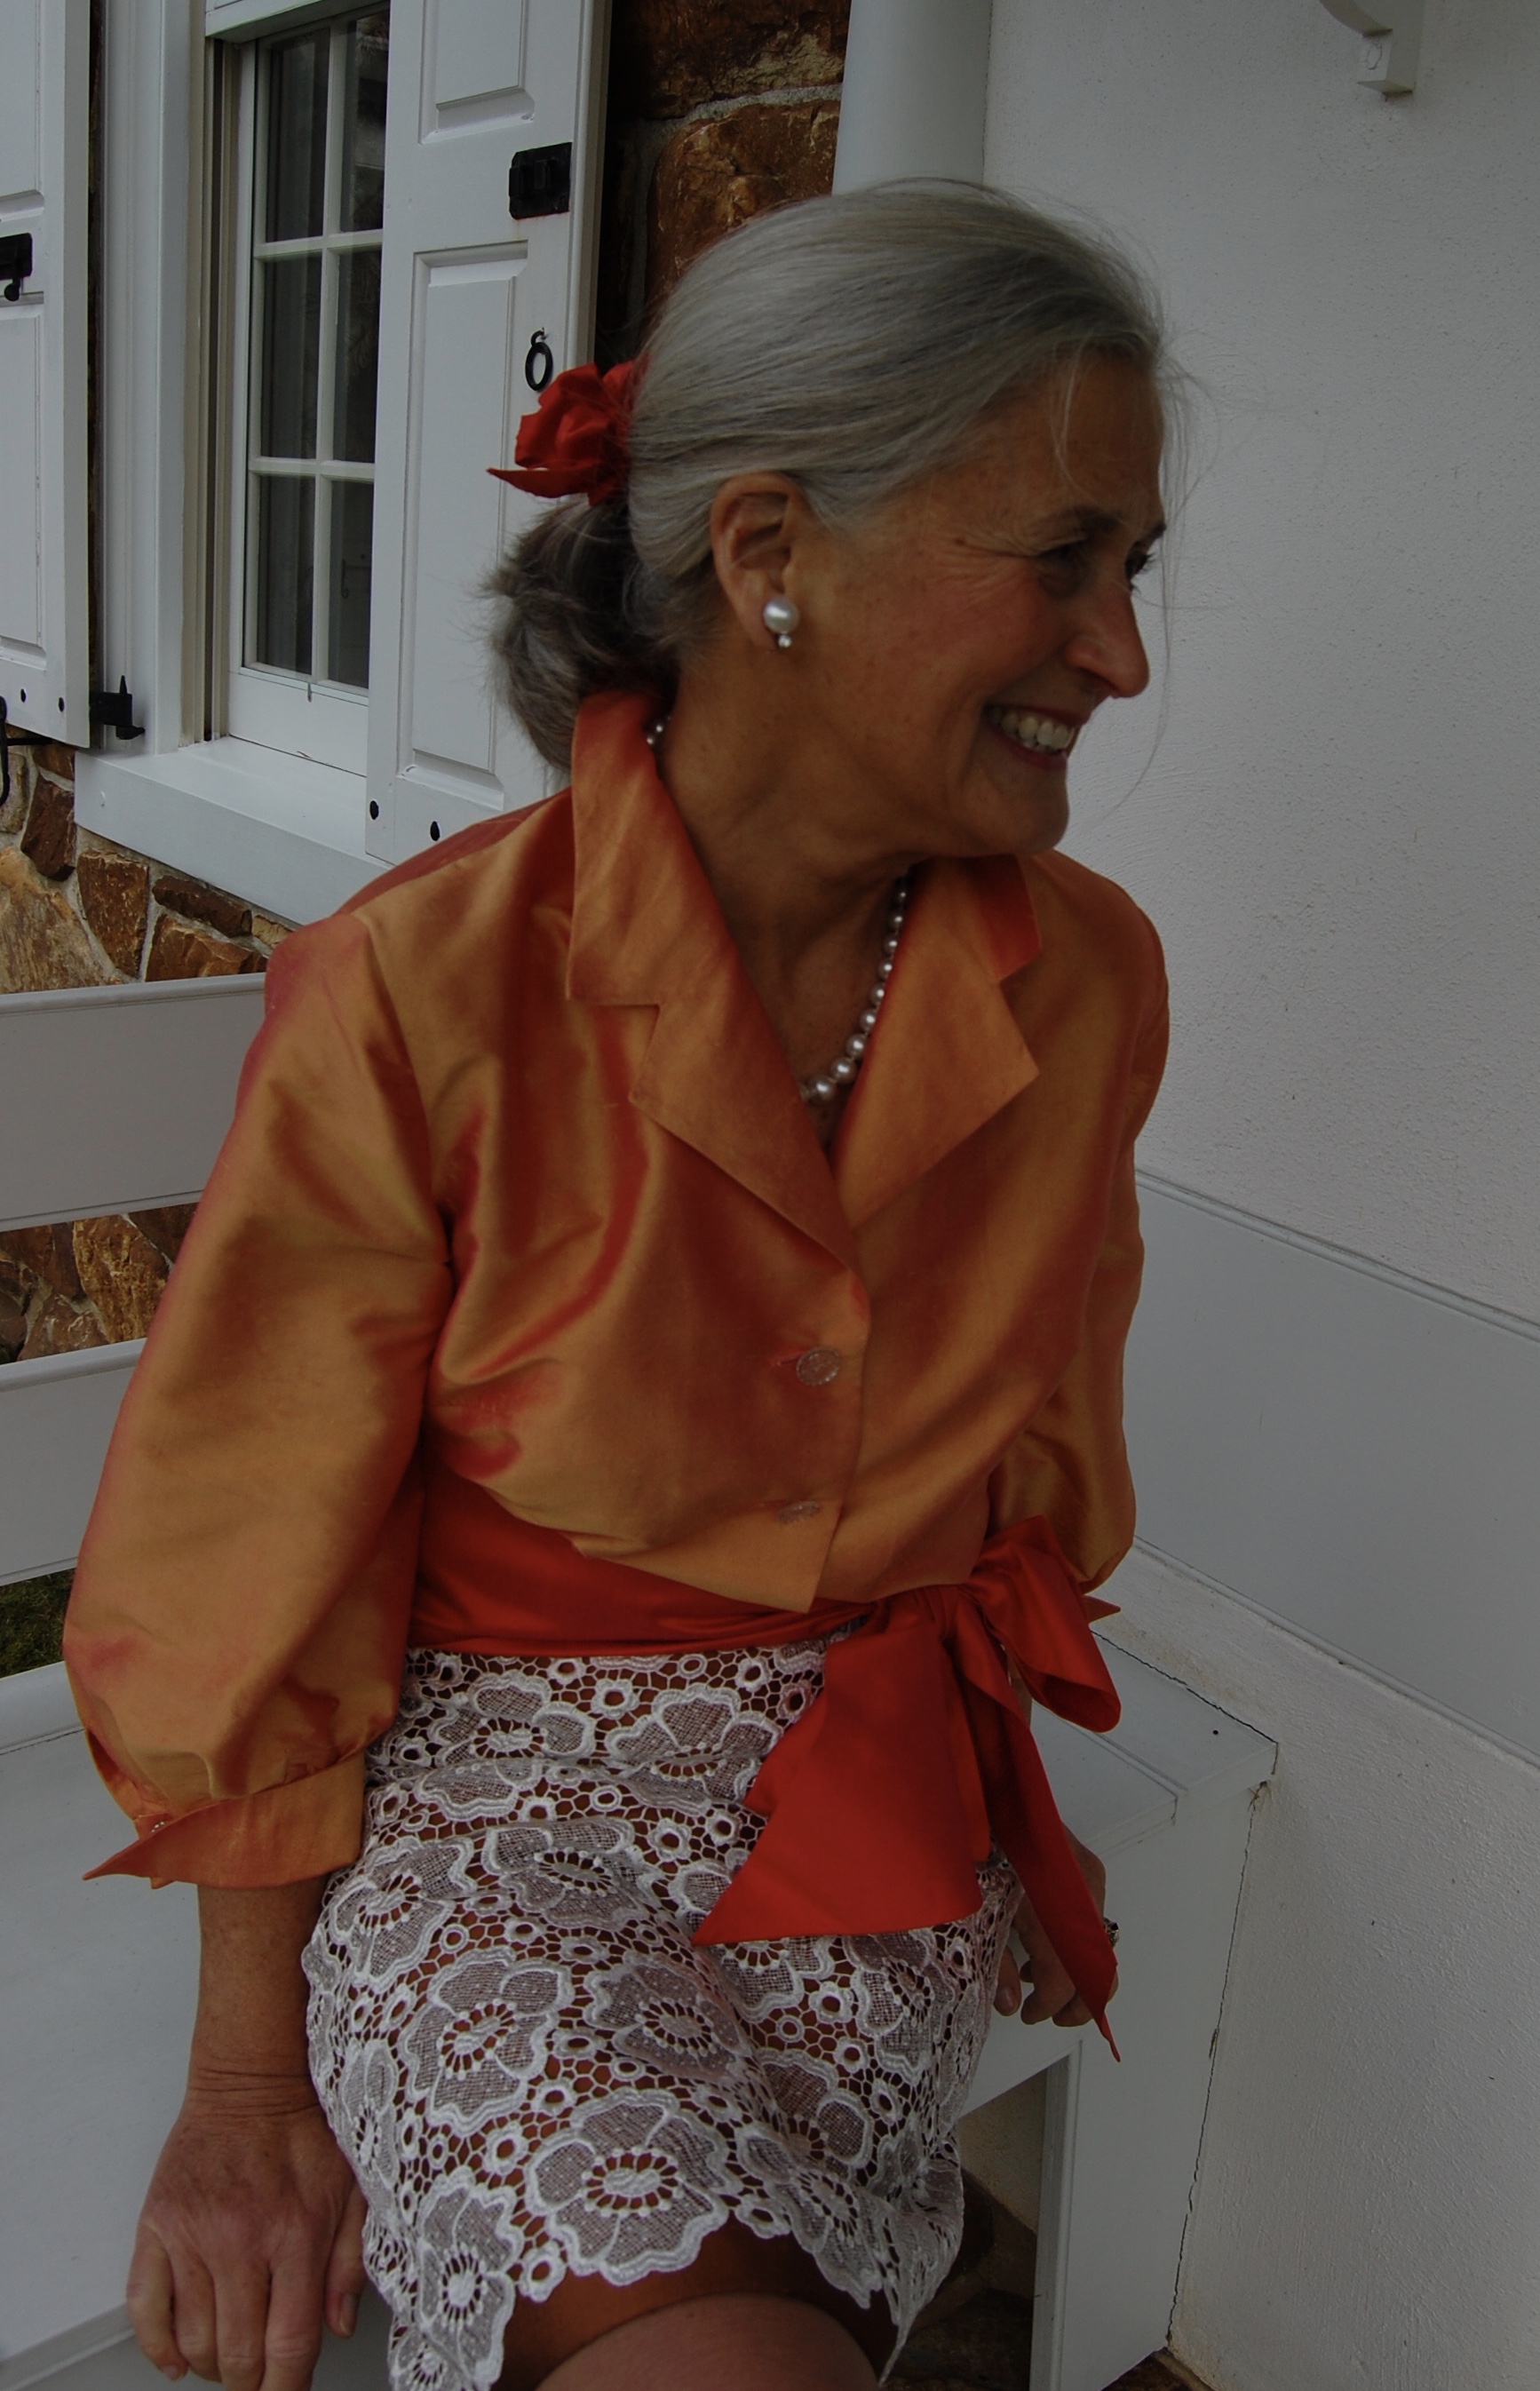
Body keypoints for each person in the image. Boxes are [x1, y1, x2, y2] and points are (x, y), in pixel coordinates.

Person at [64, 184, 1171, 2391]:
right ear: (768, 553)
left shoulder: (1089, 981)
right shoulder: (423, 991)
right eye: (1063, 559)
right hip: (498, 1818)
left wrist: (1003, 1804)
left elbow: (1027, 1458)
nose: (1121, 654)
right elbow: (248, 1555)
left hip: (873, 1816)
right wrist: (250, 2083)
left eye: (1134, 569)